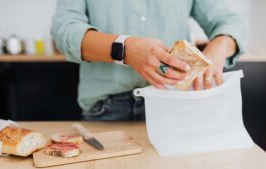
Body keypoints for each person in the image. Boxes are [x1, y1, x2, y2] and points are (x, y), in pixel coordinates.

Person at [51, 0, 246, 121]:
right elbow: (64, 32)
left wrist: (218, 48)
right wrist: (125, 49)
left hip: (175, 106)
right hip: (107, 110)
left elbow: (230, 21)